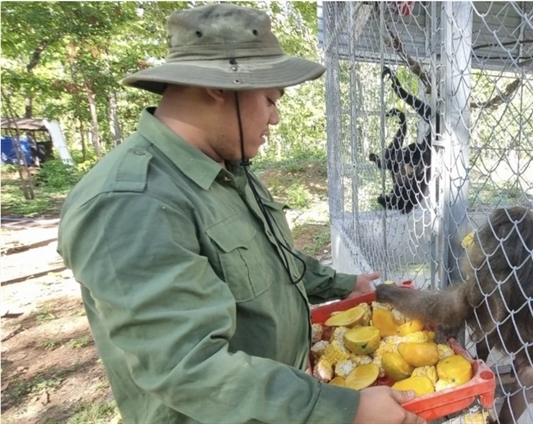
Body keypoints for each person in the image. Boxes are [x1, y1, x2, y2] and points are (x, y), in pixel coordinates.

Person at [57, 4, 426, 424]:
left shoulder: (226, 169)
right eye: (269, 100)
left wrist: (343, 284)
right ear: (221, 88)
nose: (275, 118)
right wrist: (342, 409)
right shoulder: (130, 202)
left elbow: (267, 261)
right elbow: (189, 369)